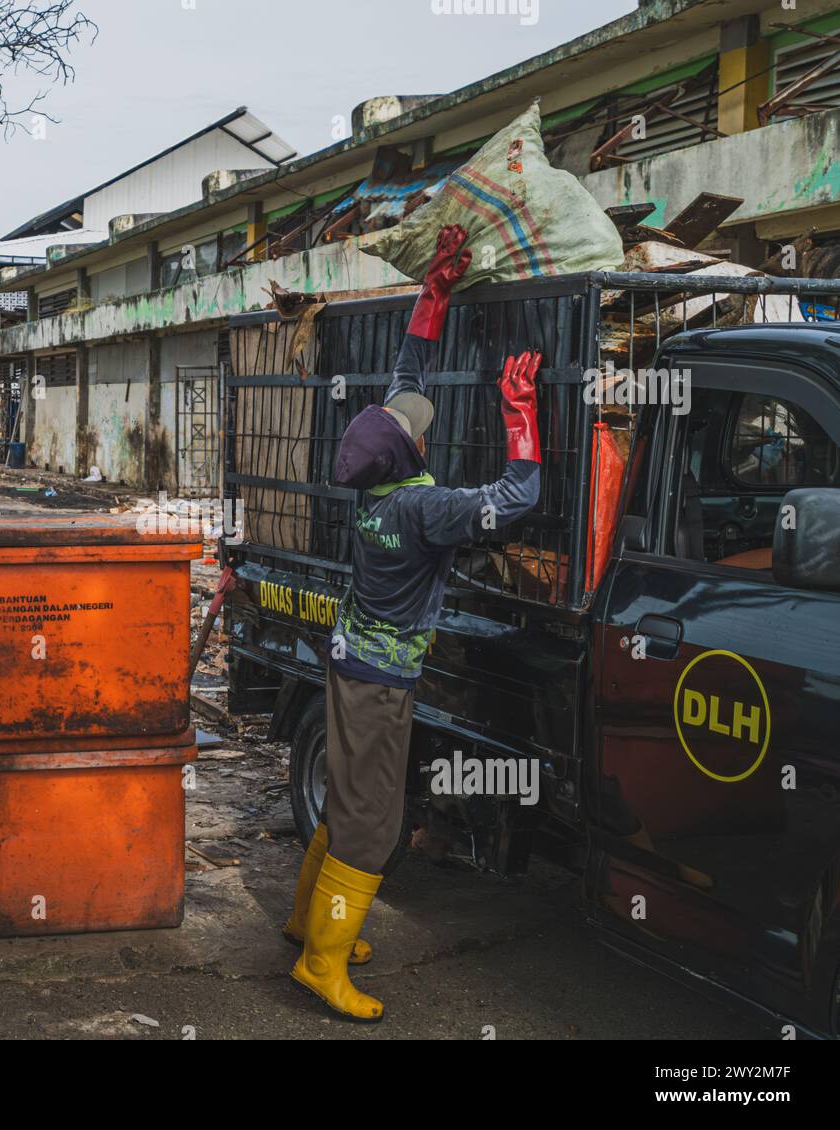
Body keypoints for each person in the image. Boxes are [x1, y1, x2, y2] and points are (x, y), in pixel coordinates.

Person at [285, 225, 544, 1022]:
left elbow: (408, 380)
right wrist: (522, 415)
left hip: (346, 658)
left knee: (347, 807)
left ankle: (306, 922)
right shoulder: (427, 508)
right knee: (373, 826)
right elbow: (518, 498)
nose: (419, 420)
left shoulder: (377, 485)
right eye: (415, 426)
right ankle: (321, 966)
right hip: (378, 684)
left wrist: (432, 297)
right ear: (411, 455)